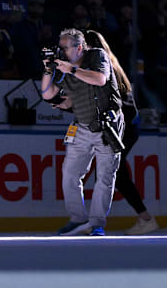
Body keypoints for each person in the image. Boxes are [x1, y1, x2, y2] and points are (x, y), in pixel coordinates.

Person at [41, 28, 124, 236]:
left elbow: (100, 79)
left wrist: (71, 70)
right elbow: (47, 94)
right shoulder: (64, 68)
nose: (60, 52)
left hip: (108, 125)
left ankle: (96, 224)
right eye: (59, 47)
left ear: (79, 48)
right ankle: (78, 219)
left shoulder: (96, 55)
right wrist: (48, 70)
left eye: (64, 48)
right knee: (70, 173)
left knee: (105, 175)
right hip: (82, 126)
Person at [84, 30, 158, 235]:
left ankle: (96, 222)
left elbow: (125, 107)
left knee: (110, 171)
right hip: (126, 127)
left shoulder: (103, 67)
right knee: (116, 173)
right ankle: (144, 218)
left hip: (124, 128)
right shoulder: (111, 65)